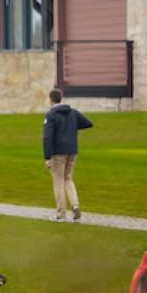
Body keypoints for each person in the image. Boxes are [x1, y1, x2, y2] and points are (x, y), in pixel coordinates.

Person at [42, 87, 93, 222]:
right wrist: (72, 126)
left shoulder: (51, 114)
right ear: (61, 98)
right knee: (68, 179)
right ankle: (75, 205)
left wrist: (47, 157)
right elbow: (88, 123)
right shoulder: (73, 112)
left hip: (58, 153)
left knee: (58, 182)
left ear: (51, 99)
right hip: (72, 151)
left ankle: (61, 214)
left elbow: (47, 137)